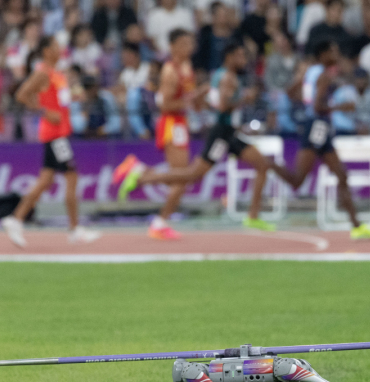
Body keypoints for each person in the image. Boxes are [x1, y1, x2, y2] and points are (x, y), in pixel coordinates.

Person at [113, 35, 277, 237]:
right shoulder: (173, 70)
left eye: (191, 43)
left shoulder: (190, 68)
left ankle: (252, 216)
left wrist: (199, 98)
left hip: (209, 128)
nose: (191, 47)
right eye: (185, 43)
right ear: (173, 46)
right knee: (187, 175)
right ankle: (142, 177)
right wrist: (238, 98)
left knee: (260, 165)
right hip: (184, 126)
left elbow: (201, 104)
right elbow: (166, 104)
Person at [272, 40, 370, 240]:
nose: (336, 55)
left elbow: (290, 93)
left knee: (341, 175)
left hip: (318, 126)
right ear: (323, 54)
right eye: (333, 51)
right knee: (298, 180)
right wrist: (341, 107)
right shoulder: (323, 75)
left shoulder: (310, 72)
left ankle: (357, 226)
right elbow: (318, 107)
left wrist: (305, 99)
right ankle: (268, 164)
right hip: (317, 126)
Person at [1, 35, 101, 247]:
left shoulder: (57, 73)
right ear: (46, 51)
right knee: (72, 176)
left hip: (60, 133)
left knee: (46, 180)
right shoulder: (42, 72)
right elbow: (21, 95)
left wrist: (72, 98)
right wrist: (45, 112)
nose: (60, 49)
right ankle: (74, 229)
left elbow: (58, 99)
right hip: (55, 135)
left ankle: (16, 219)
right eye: (55, 46)